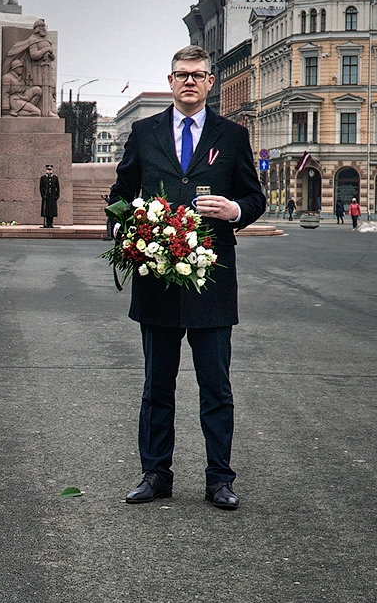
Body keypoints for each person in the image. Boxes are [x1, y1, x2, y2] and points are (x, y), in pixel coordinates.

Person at [108, 45, 266, 511]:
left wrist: (234, 209)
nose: (189, 82)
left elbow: (253, 198)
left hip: (212, 283)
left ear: (210, 82)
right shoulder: (144, 132)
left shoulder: (232, 136)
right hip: (156, 277)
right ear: (172, 80)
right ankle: (156, 474)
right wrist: (124, 229)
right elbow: (121, 192)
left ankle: (219, 479)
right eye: (181, 75)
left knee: (215, 387)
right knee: (157, 384)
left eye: (198, 75)